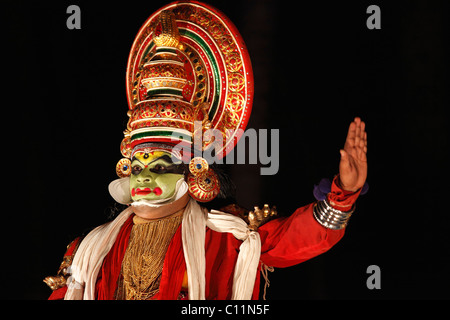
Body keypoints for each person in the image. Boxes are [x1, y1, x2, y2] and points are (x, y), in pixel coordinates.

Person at [44, 1, 367, 300]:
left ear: (193, 169)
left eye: (158, 167)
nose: (142, 178)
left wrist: (344, 192)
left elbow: (294, 241)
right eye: (136, 167)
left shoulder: (229, 237)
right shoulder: (88, 249)